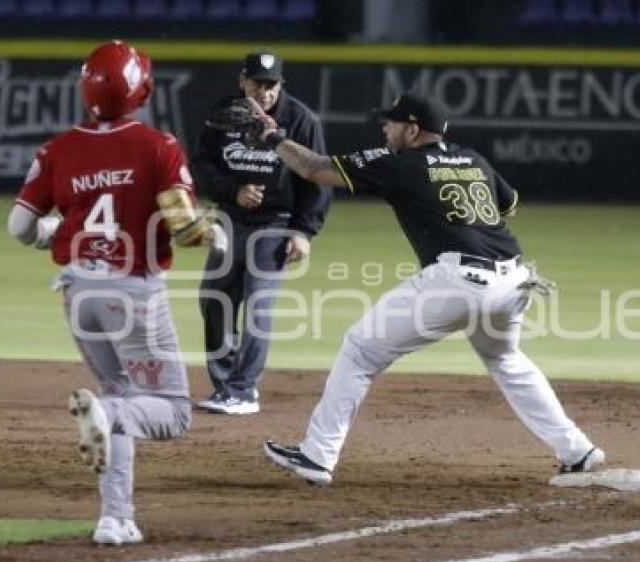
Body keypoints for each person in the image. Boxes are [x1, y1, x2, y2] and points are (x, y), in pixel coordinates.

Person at [252, 93, 605, 485]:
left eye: (392, 122)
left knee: (360, 351)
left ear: (413, 128)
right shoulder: (474, 159)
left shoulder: (399, 164)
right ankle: (577, 450)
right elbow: (508, 207)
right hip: (514, 279)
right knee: (506, 359)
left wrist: (272, 137)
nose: (385, 128)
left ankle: (317, 456)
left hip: (458, 279)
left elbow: (313, 167)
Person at [7, 40, 225, 544]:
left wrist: (50, 234)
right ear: (142, 90)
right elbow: (185, 228)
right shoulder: (159, 146)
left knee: (121, 395)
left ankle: (115, 518)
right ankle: (106, 418)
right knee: (170, 412)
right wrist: (217, 232)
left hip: (78, 291)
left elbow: (19, 226)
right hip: (133, 293)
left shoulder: (56, 151)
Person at [191, 50, 331, 415]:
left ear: (281, 84)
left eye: (272, 84)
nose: (265, 91)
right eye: (258, 83)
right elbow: (203, 164)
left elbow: (317, 178)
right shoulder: (224, 112)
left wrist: (303, 231)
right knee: (213, 299)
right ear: (243, 80)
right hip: (230, 220)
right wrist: (231, 191)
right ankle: (226, 385)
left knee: (258, 306)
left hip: (276, 223)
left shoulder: (300, 119)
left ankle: (243, 389)